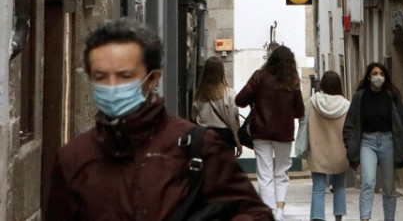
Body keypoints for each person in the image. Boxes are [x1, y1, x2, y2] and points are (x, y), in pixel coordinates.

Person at [47, 18, 273, 220]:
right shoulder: (73, 158)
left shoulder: (198, 148)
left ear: (152, 78)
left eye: (125, 76)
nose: (113, 85)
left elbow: (254, 213)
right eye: (101, 76)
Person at [236, 45, 306, 221]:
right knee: (281, 172)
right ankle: (280, 211)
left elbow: (240, 100)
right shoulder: (293, 81)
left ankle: (268, 212)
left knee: (264, 174)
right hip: (284, 133)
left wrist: (256, 100)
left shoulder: (259, 77)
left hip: (261, 132)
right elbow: (299, 111)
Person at [342, 62, 403, 221]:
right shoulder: (360, 96)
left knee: (388, 186)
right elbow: (350, 122)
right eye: (374, 73)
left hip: (388, 142)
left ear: (385, 76)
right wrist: (349, 144)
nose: (377, 77)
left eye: (381, 73)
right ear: (369, 76)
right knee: (368, 182)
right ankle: (365, 218)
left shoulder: (392, 96)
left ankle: (389, 218)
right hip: (367, 142)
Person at [307, 71, 351, 221]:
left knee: (318, 188)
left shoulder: (313, 102)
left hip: (318, 150)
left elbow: (304, 123)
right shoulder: (346, 105)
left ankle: (317, 217)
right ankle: (338, 218)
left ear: (322, 85)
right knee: (339, 186)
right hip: (339, 152)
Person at [192, 55, 242, 156]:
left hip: (204, 136)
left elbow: (193, 117)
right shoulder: (229, 93)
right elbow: (233, 120)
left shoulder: (199, 94)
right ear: (222, 72)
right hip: (224, 138)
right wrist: (238, 142)